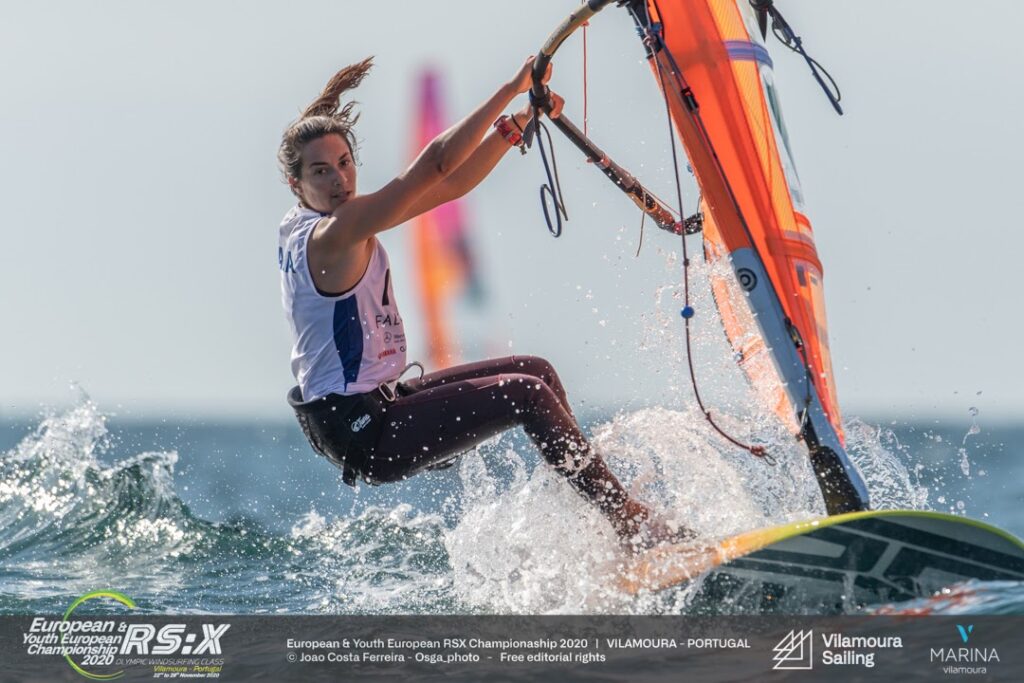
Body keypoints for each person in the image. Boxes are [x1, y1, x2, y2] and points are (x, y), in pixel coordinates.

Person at [277, 56, 687, 551]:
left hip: (379, 403)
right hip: (365, 431)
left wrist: (516, 125)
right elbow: (436, 164)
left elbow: (448, 185)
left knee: (537, 371)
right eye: (321, 172)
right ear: (296, 184)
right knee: (527, 394)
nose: (339, 180)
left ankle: (599, 519)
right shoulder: (333, 233)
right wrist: (511, 87)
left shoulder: (321, 221)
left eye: (345, 164)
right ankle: (630, 523)